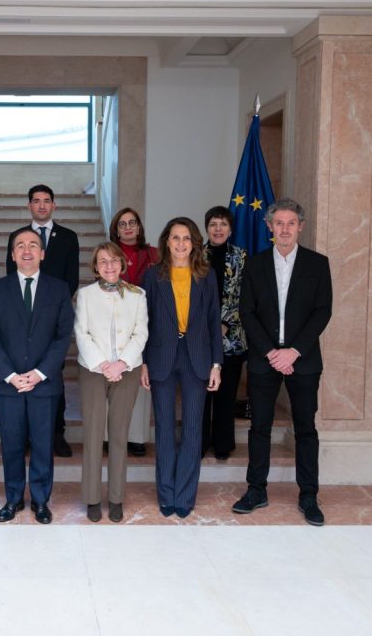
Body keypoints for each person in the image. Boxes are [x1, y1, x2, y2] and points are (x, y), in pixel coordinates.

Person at [232, 198, 332, 526]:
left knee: (306, 429)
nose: (285, 229)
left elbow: (322, 311)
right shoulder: (255, 264)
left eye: (291, 223)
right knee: (259, 427)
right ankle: (256, 490)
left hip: (303, 361)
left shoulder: (318, 264)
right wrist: (272, 352)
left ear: (300, 227)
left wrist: (294, 351)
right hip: (264, 360)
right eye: (279, 223)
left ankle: (308, 495)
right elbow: (246, 312)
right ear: (270, 227)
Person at [0, 228, 73, 524]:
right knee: (11, 442)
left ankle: (40, 499)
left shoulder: (59, 289)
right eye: (19, 245)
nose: (26, 250)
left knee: (43, 443)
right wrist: (10, 374)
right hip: (7, 383)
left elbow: (62, 337)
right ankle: (12, 498)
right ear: (12, 254)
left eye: (33, 245)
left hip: (44, 383)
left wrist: (38, 373)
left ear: (43, 253)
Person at [140, 218, 222, 518]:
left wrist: (216, 364)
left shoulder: (206, 275)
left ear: (194, 243)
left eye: (186, 238)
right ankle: (166, 493)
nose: (180, 243)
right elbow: (143, 322)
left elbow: (214, 322)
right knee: (163, 428)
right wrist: (144, 362)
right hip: (162, 358)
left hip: (197, 358)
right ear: (166, 242)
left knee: (191, 428)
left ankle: (185, 495)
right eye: (175, 238)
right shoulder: (152, 276)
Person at [74, 242, 148, 523]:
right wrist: (103, 364)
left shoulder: (137, 295)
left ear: (122, 264)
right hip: (93, 369)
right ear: (95, 266)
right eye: (103, 261)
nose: (109, 266)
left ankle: (116, 497)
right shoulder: (85, 294)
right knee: (94, 434)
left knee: (119, 434)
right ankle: (92, 498)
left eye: (114, 261)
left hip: (126, 370)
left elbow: (140, 334)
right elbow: (82, 333)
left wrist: (122, 363)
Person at [5, 184, 80, 458]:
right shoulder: (16, 237)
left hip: (52, 319)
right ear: (29, 206)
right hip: (22, 322)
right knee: (22, 375)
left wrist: (52, 311)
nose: (41, 206)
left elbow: (71, 280)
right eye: (36, 201)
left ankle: (56, 432)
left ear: (53, 205)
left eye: (46, 201)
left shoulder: (69, 237)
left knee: (51, 376)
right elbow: (10, 280)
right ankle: (24, 433)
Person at [109, 206, 159, 458]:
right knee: (113, 378)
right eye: (122, 224)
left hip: (146, 323)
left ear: (139, 227)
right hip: (114, 323)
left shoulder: (154, 254)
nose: (128, 227)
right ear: (115, 229)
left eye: (132, 223)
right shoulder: (108, 253)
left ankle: (137, 437)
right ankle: (112, 436)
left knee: (140, 377)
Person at [201, 206, 248, 461]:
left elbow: (246, 296)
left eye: (223, 224)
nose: (218, 229)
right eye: (213, 224)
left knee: (226, 393)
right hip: (200, 336)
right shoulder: (196, 256)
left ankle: (222, 444)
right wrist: (208, 325)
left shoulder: (242, 257)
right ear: (206, 228)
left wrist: (225, 323)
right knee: (201, 394)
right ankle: (199, 442)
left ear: (230, 229)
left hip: (232, 338)